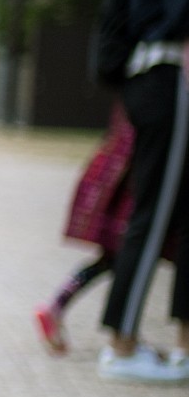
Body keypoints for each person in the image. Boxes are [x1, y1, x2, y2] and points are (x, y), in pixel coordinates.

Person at [93, 0, 189, 383]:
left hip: (172, 80)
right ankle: (123, 344)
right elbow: (178, 10)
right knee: (151, 216)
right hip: (168, 78)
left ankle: (182, 346)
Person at [33, 104, 176, 355]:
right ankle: (120, 331)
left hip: (122, 187)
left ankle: (58, 308)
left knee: (115, 261)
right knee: (124, 260)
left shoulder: (131, 101)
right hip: (133, 194)